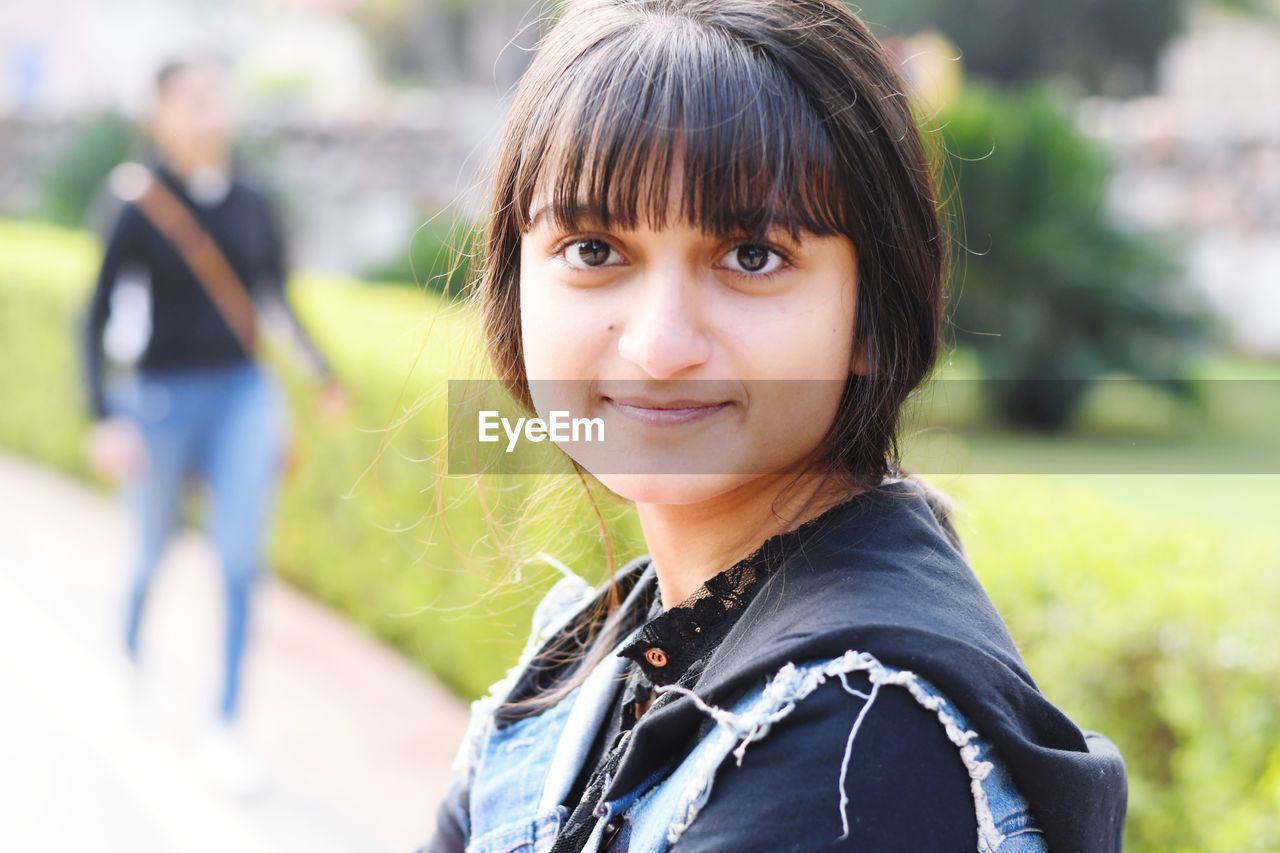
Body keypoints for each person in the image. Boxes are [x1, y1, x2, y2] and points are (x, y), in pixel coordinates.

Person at [423, 0, 1128, 850]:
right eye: (595, 250)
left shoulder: (857, 739)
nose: (659, 346)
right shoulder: (579, 661)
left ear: (873, 313)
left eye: (751, 256)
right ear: (514, 282)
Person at [82, 56, 343, 794]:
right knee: (151, 543)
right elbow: (95, 316)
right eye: (188, 101)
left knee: (237, 562)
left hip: (240, 394)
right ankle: (127, 655)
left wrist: (320, 373)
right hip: (161, 398)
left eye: (214, 98)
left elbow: (276, 302)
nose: (204, 113)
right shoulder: (135, 204)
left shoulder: (254, 204)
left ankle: (226, 721)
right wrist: (106, 415)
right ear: (158, 117)